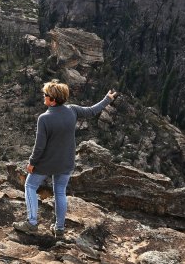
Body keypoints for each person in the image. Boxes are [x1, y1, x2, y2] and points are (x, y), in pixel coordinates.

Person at [13, 79, 117, 238]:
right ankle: (59, 229)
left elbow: (39, 146)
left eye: (45, 94)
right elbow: (91, 111)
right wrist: (107, 99)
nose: (44, 96)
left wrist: (32, 163)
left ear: (53, 100)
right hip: (66, 161)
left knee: (30, 185)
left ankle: (32, 223)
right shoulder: (72, 110)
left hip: (47, 163)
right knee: (60, 192)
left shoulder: (44, 118)